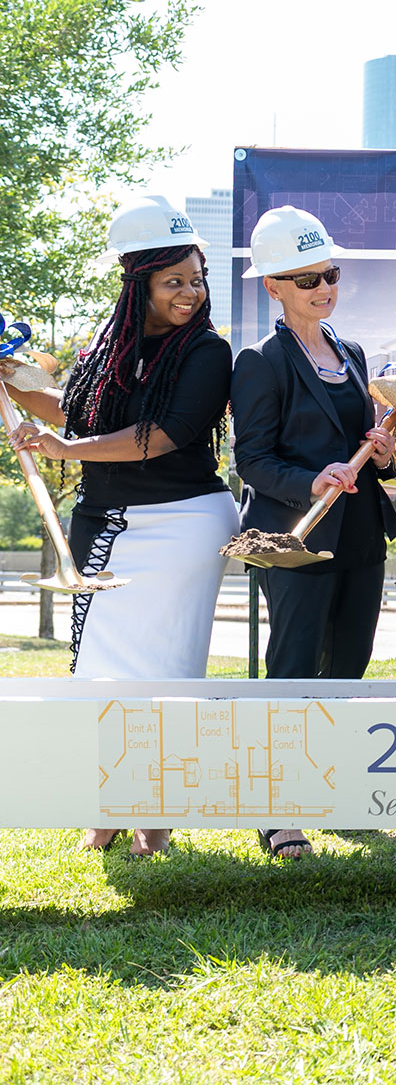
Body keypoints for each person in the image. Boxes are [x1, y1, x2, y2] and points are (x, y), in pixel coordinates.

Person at [7, 196, 237, 857]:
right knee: (100, 670)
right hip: (102, 520)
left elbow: (164, 435)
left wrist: (66, 450)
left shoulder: (207, 353)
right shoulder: (110, 349)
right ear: (138, 284)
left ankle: (154, 823)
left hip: (181, 526)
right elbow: (75, 407)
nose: (190, 292)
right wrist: (16, 384)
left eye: (196, 279)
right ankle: (107, 812)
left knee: (164, 671)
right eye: (174, 282)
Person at [229, 208, 396, 857]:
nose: (324, 287)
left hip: (359, 538)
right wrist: (313, 479)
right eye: (306, 279)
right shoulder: (260, 362)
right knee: (293, 668)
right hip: (293, 541)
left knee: (348, 669)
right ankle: (280, 812)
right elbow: (254, 462)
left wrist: (382, 449)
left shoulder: (353, 355)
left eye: (330, 273)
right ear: (272, 285)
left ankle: (331, 786)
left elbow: (371, 451)